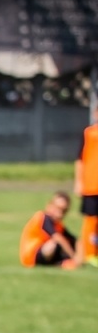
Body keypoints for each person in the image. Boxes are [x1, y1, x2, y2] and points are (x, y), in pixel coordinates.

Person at [20, 191, 79, 268]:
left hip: (44, 252)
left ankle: (63, 262)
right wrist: (74, 257)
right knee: (55, 244)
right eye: (57, 208)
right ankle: (62, 262)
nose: (60, 213)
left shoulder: (58, 225)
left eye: (63, 210)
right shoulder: (43, 217)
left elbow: (75, 240)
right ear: (50, 205)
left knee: (68, 242)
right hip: (32, 255)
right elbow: (58, 238)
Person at [74, 109, 98, 265]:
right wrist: (78, 181)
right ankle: (90, 253)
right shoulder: (89, 133)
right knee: (91, 219)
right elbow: (80, 159)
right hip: (91, 184)